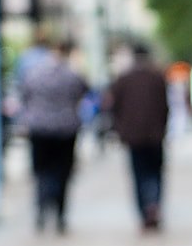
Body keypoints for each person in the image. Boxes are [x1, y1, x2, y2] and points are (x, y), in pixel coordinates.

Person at [18, 35, 89, 233]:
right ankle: (59, 214)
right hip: (66, 130)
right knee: (63, 172)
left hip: (39, 129)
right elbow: (83, 91)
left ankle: (41, 209)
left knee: (41, 171)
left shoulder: (33, 73)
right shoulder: (72, 73)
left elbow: (24, 95)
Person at [106, 43, 169, 230]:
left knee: (139, 174)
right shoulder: (157, 77)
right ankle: (154, 204)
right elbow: (165, 107)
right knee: (155, 173)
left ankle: (145, 210)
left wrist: (120, 129)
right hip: (155, 135)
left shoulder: (124, 79)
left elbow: (113, 107)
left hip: (133, 137)